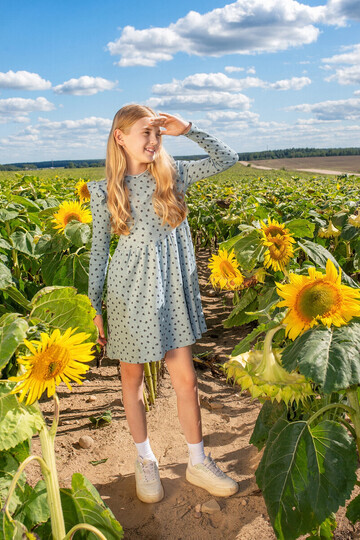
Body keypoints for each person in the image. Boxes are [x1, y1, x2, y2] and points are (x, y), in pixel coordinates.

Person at [87, 103, 239, 504]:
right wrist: (93, 305)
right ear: (119, 137)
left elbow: (228, 158)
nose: (153, 141)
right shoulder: (104, 189)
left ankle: (197, 460)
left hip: (171, 291)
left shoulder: (175, 174)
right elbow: (99, 251)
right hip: (127, 293)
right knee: (131, 380)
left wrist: (187, 128)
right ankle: (145, 459)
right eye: (145, 133)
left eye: (158, 134)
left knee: (185, 379)